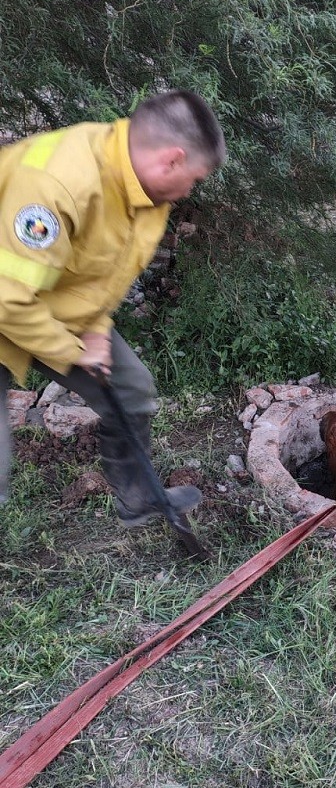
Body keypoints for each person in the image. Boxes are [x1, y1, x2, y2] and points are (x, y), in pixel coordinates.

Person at [0, 90, 226, 526]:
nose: (189, 191)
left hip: (37, 300)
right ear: (173, 160)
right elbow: (6, 299)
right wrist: (72, 351)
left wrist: (97, 328)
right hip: (9, 297)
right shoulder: (58, 182)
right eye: (195, 179)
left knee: (129, 386)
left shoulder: (148, 195)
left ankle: (138, 499)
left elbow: (101, 272)